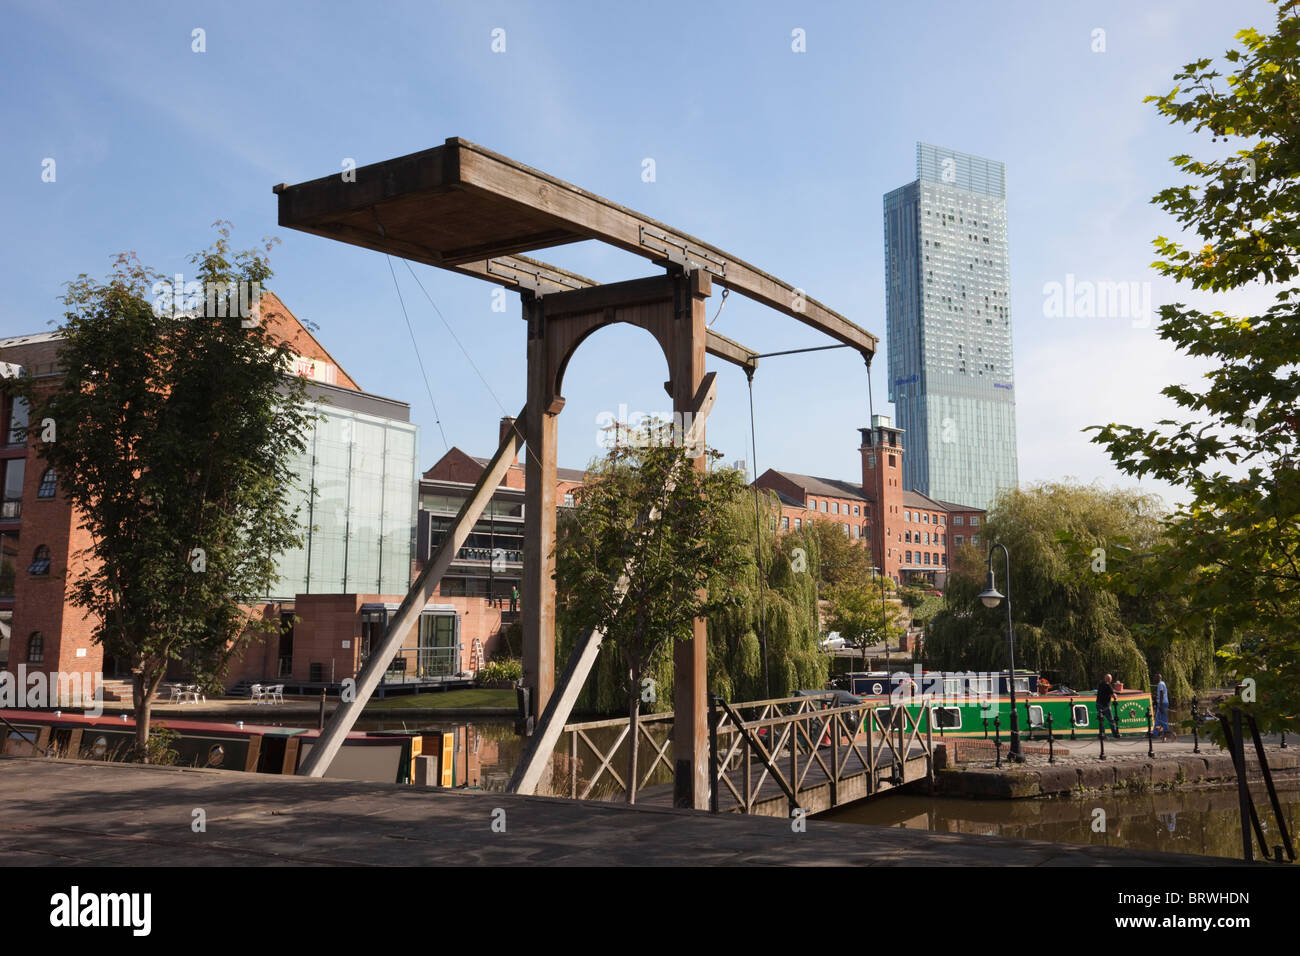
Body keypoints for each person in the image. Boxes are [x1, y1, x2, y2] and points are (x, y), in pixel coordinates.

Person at [1096, 673, 1120, 739]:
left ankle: (1102, 734)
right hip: (1105, 705)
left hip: (1098, 704)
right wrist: (1115, 697)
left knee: (1101, 720)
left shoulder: (1100, 684)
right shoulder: (1108, 685)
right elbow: (1113, 695)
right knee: (1111, 720)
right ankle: (1115, 733)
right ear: (1110, 680)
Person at [1154, 672, 1174, 742]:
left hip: (1162, 703)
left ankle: (1168, 733)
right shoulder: (1163, 683)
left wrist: (1161, 704)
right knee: (1159, 719)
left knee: (1162, 719)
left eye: (1155, 677)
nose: (1154, 678)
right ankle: (1159, 734)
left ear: (1158, 678)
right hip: (1164, 702)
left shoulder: (1160, 684)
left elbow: (1162, 693)